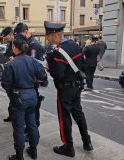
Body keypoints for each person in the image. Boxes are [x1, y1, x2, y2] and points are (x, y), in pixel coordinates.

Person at [44, 21, 93, 158]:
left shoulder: (58, 52)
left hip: (65, 89)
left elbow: (57, 74)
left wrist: (50, 66)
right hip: (77, 86)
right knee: (78, 113)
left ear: (54, 35)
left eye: (48, 36)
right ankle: (87, 142)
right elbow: (83, 66)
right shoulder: (75, 46)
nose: (48, 39)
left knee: (64, 118)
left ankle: (68, 147)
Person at [1, 37, 47, 160]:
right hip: (32, 96)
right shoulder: (33, 61)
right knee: (32, 124)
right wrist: (33, 81)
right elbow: (43, 76)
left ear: (15, 48)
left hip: (19, 97)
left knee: (19, 128)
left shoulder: (11, 64)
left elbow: (5, 84)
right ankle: (33, 150)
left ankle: (19, 156)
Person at [1, 26, 15, 122]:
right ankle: (12, 115)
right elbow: (7, 55)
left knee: (14, 97)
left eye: (6, 38)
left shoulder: (18, 43)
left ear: (11, 34)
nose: (5, 40)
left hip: (15, 74)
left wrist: (12, 59)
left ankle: (14, 116)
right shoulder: (9, 44)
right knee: (11, 97)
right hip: (9, 71)